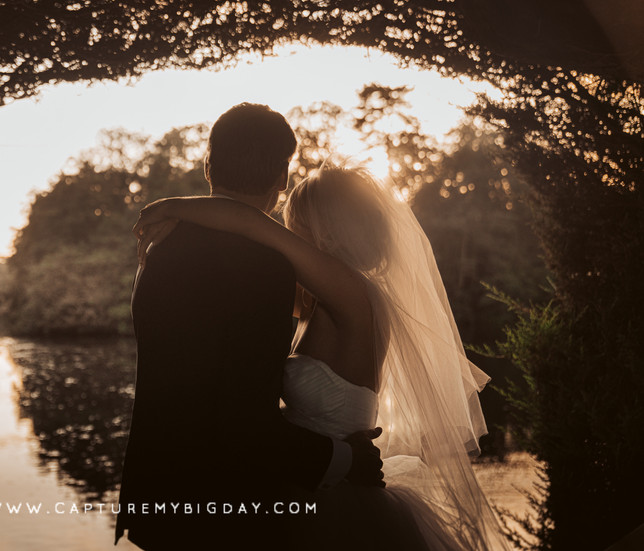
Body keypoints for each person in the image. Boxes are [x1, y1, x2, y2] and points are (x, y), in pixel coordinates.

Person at [132, 161, 512, 550]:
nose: (288, 232)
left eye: (295, 224)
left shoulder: (352, 290)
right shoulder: (322, 296)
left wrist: (171, 207)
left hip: (331, 498)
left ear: (323, 230)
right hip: (308, 477)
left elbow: (253, 225)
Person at [114, 103, 386, 550]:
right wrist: (343, 458)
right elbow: (238, 416)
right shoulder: (266, 268)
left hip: (161, 500)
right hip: (231, 515)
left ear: (207, 165)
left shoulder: (158, 250)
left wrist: (174, 205)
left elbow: (196, 390)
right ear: (281, 180)